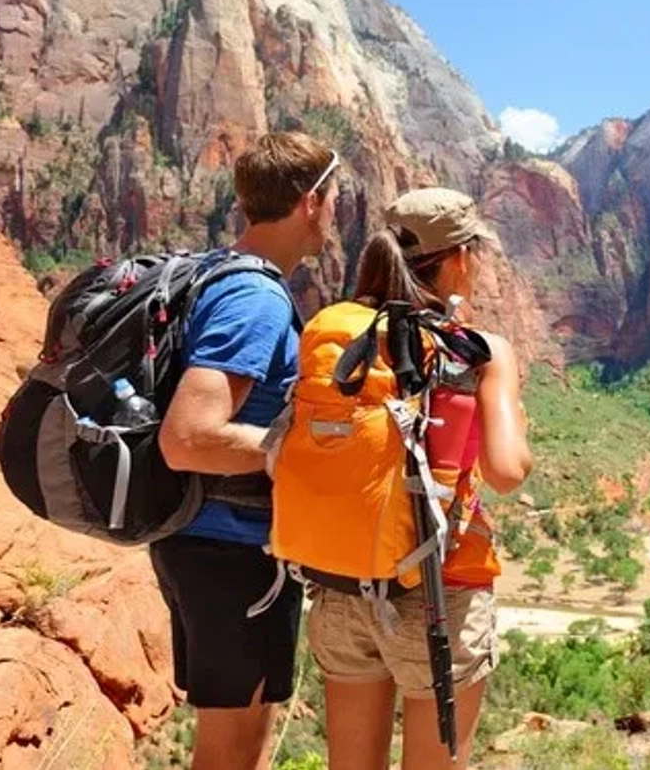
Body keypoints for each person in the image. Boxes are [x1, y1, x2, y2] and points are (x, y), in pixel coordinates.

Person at [307, 187, 533, 770]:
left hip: (344, 584)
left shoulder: (343, 337)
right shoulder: (481, 350)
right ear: (460, 259)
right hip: (441, 592)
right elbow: (508, 471)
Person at [152, 132, 340, 770]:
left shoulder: (219, 272)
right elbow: (188, 437)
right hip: (229, 550)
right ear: (311, 202)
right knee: (231, 751)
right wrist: (302, 450)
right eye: (333, 198)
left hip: (208, 542)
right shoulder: (256, 298)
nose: (335, 212)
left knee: (239, 743)